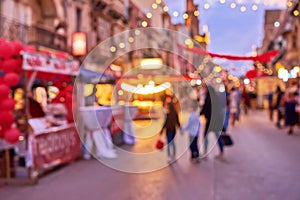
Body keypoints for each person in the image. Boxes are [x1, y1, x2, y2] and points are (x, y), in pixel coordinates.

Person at [200, 85, 224, 159]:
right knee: (217, 136)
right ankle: (221, 151)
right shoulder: (215, 97)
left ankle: (205, 152)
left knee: (206, 136)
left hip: (211, 121)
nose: (204, 90)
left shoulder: (208, 98)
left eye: (205, 89)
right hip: (215, 121)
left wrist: (201, 113)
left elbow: (206, 108)